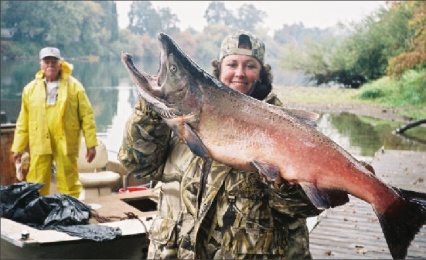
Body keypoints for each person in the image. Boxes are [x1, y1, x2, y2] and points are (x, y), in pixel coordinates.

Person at [118, 30, 321, 259]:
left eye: (250, 66)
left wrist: (281, 184)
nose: (240, 73)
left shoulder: (287, 130)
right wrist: (153, 107)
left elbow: (304, 208)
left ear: (262, 73)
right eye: (232, 64)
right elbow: (138, 165)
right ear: (219, 69)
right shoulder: (180, 116)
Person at [11, 47, 98, 198]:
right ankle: (37, 213)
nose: (50, 65)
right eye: (46, 61)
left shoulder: (75, 87)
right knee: (36, 180)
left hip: (65, 140)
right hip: (39, 141)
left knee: (69, 180)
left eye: (54, 61)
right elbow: (22, 122)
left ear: (60, 64)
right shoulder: (29, 89)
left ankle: (70, 211)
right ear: (41, 64)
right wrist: (18, 148)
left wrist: (91, 144)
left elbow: (87, 116)